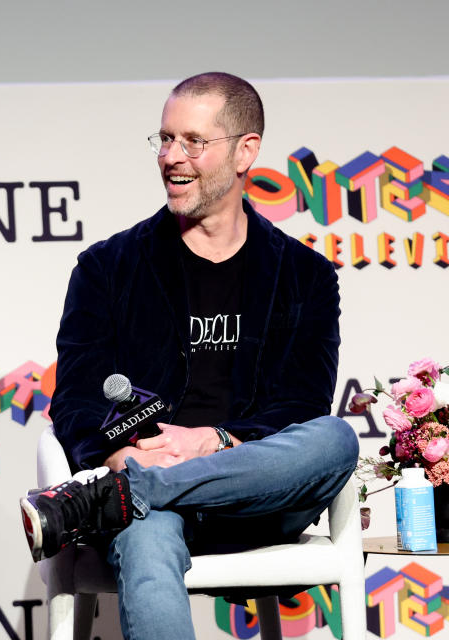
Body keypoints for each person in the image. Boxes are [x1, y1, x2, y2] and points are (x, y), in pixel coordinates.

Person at [19, 72, 358, 640]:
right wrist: (122, 456)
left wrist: (208, 442)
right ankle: (130, 492)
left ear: (246, 150)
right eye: (165, 139)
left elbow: (299, 407)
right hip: (153, 505)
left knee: (336, 439)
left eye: (193, 142)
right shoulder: (107, 269)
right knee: (144, 533)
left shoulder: (306, 276)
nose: (172, 157)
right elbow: (77, 402)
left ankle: (116, 496)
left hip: (256, 496)